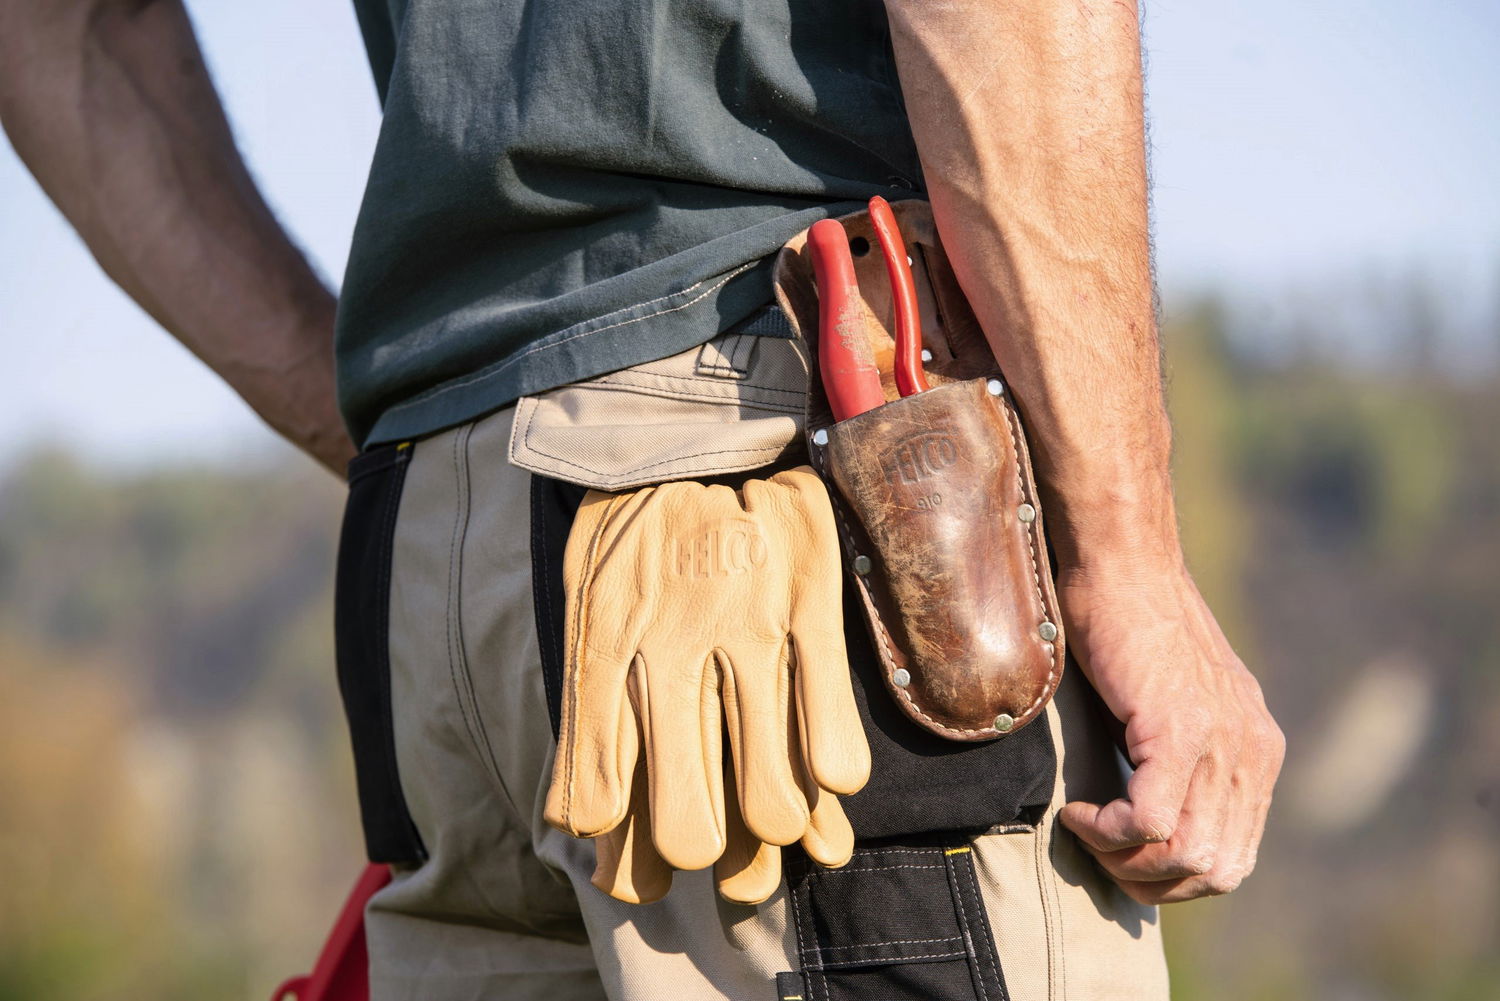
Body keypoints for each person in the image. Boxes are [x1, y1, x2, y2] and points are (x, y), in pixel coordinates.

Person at [0, 1, 1285, 999]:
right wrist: (1129, 556)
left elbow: (63, 31)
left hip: (435, 535)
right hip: (779, 517)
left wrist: (394, 424)